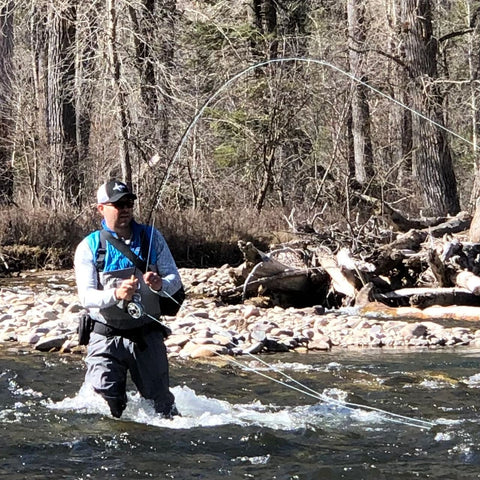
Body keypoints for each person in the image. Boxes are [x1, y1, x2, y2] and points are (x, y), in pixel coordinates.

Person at [74, 179, 183, 419]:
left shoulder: (153, 237)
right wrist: (116, 294)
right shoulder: (89, 247)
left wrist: (160, 284)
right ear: (101, 208)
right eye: (118, 204)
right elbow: (86, 297)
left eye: (128, 203)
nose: (125, 208)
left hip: (147, 334)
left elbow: (175, 279)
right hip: (106, 335)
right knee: (105, 410)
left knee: (163, 410)